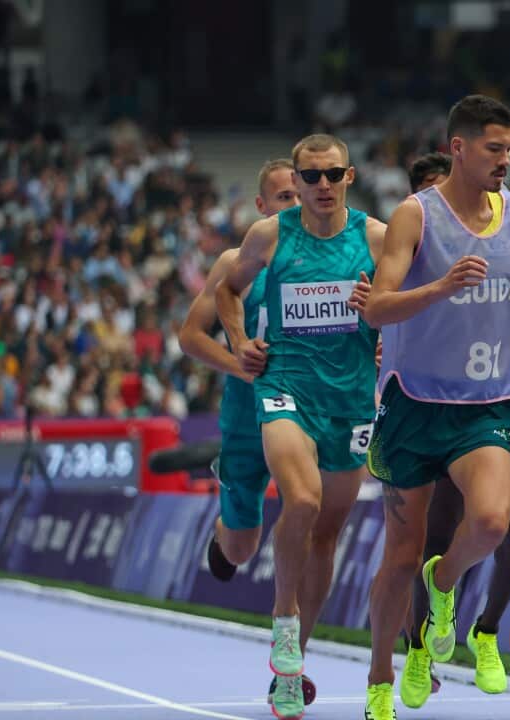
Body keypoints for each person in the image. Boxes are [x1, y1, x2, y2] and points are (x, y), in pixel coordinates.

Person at [353, 95, 510, 720]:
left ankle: (446, 581)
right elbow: (376, 307)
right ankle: (380, 674)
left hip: (485, 402)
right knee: (399, 556)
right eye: (493, 149)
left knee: (490, 522)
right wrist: (442, 286)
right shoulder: (414, 216)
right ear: (458, 147)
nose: (505, 160)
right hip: (413, 403)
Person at [216, 134, 385, 720]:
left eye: (330, 175)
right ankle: (283, 620)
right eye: (309, 176)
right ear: (297, 179)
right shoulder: (270, 235)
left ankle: (295, 665)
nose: (319, 186)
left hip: (352, 401)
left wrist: (382, 317)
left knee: (326, 533)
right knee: (304, 500)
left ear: (349, 176)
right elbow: (227, 289)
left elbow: (408, 304)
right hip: (285, 386)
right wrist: (239, 341)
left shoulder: (376, 237)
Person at [178, 158, 310, 707]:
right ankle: (223, 530)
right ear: (261, 208)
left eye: (298, 195)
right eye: (282, 198)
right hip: (244, 418)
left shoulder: (343, 257)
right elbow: (190, 336)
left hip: (309, 413)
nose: (295, 206)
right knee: (240, 547)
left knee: (306, 512)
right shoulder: (238, 262)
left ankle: (290, 661)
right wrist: (241, 365)